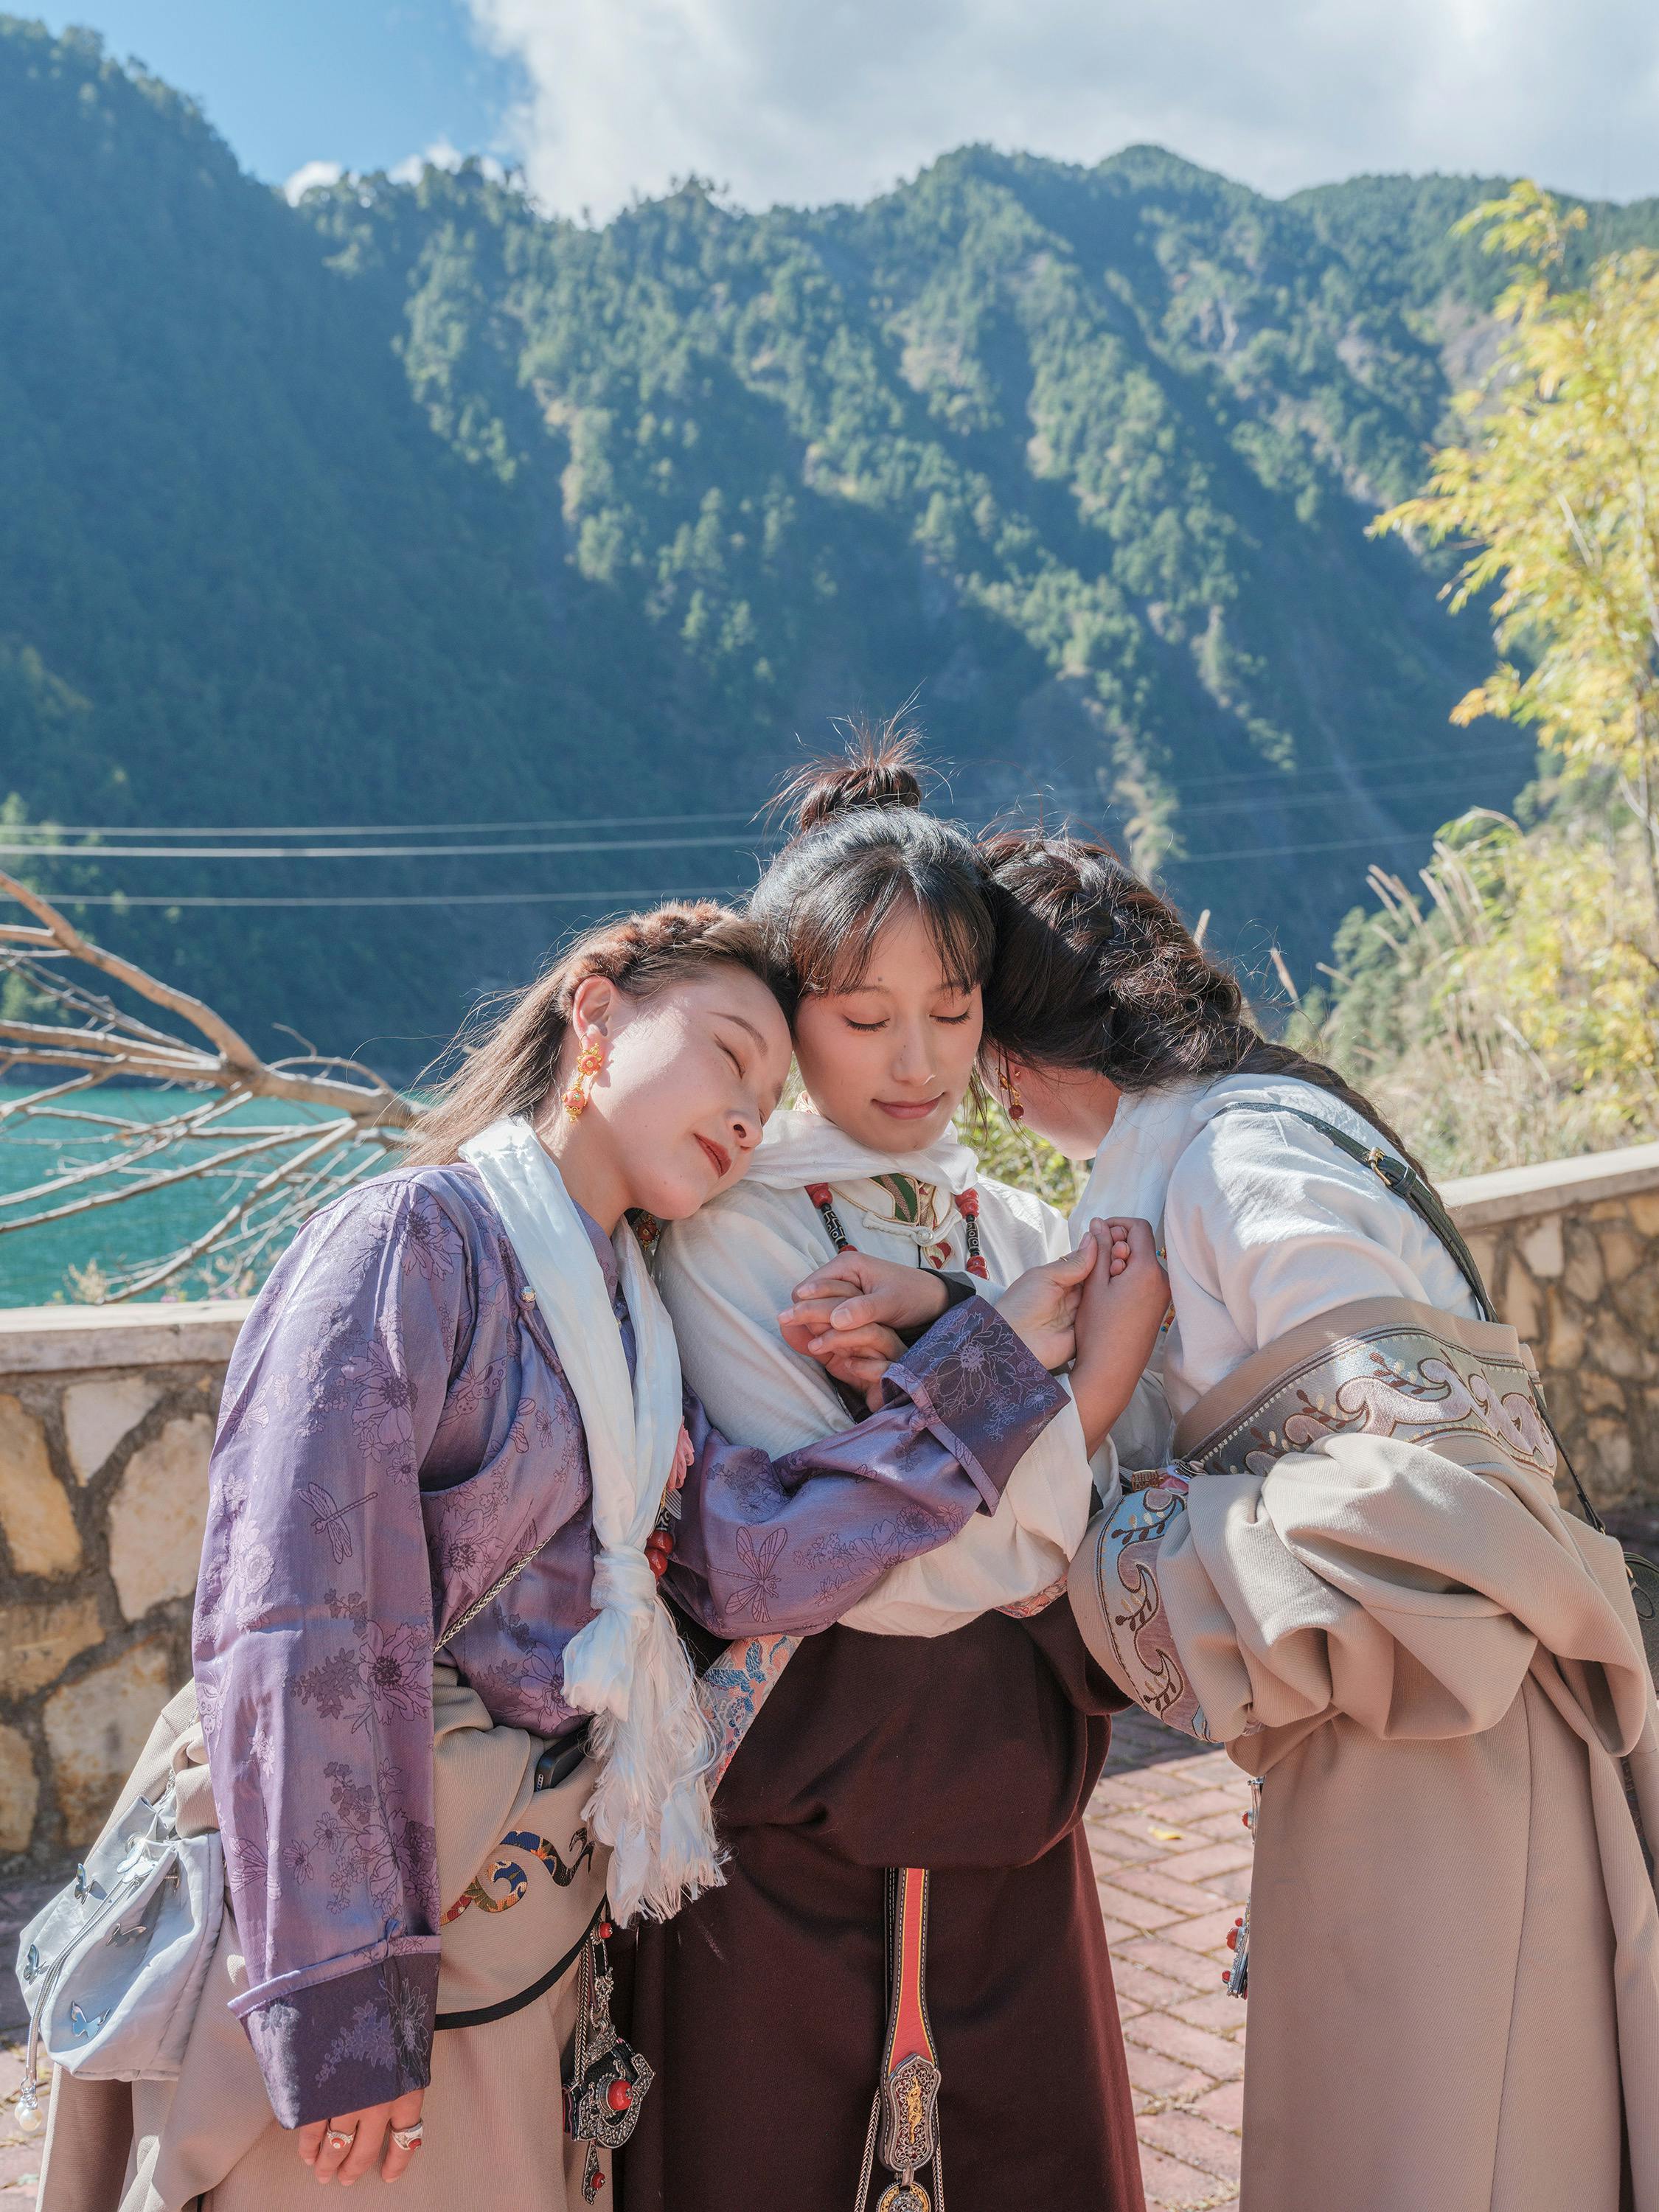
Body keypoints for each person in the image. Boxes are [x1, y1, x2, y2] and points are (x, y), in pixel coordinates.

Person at [35, 900, 1084, 2212]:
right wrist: (347, 2010)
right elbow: (306, 1628)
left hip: (513, 1940)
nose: (751, 1114)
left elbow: (749, 1562)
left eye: (771, 1091)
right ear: (594, 1011)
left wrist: (985, 1368)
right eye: (723, 1054)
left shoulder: (629, 1316)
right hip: (373, 1932)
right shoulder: (411, 1241)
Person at [978, 830, 1659, 2212]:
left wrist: (1102, 1541)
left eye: (969, 1037)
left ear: (1029, 1045)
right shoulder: (1220, 1137)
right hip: (1392, 1719)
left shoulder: (1241, 1167)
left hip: (1443, 1729)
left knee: (1443, 2143)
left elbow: (1433, 1517)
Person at [625, 742, 1166, 2212]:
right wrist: (1074, 1380)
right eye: (865, 1018)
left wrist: (965, 1353)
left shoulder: (1016, 1223)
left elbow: (1067, 1513)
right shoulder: (736, 1234)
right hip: (793, 1831)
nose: (918, 1061)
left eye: (952, 1010)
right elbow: (897, 1578)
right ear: (792, 1015)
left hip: (1014, 1817)